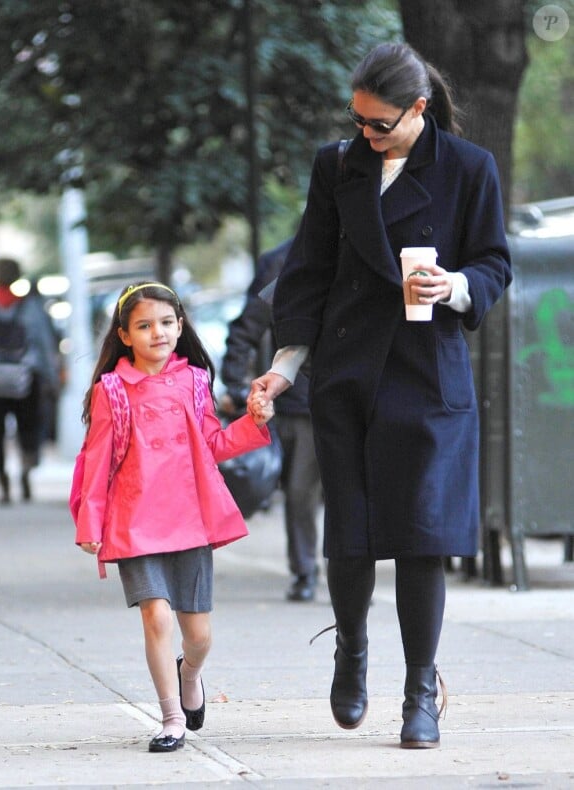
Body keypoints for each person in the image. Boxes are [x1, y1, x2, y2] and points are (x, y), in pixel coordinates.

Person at [248, 42, 512, 749]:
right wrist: (286, 364)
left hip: (428, 379)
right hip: (348, 379)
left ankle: (420, 691)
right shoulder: (338, 165)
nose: (365, 135)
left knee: (423, 539)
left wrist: (452, 285)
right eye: (358, 121)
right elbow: (308, 271)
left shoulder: (468, 169)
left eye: (380, 124)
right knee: (354, 539)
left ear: (419, 109)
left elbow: (494, 263)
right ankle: (352, 651)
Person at [74, 281, 274, 753]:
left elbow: (214, 445)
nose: (157, 333)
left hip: (191, 522)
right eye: (143, 325)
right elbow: (97, 459)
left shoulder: (194, 381)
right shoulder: (112, 391)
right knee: (156, 617)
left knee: (198, 636)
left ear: (181, 327)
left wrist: (253, 423)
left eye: (166, 323)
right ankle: (169, 719)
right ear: (124, 335)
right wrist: (90, 523)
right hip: (132, 522)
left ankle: (191, 673)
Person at [220, 239, 322, 602]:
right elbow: (246, 327)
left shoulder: (368, 247)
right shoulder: (286, 260)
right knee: (300, 493)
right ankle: (306, 570)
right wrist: (234, 384)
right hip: (298, 402)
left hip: (353, 400)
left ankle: (351, 572)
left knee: (347, 492)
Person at [0, 257, 60, 503]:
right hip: (27, 379)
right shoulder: (32, 306)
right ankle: (25, 471)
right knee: (29, 429)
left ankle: (2, 478)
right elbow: (44, 344)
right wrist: (52, 378)